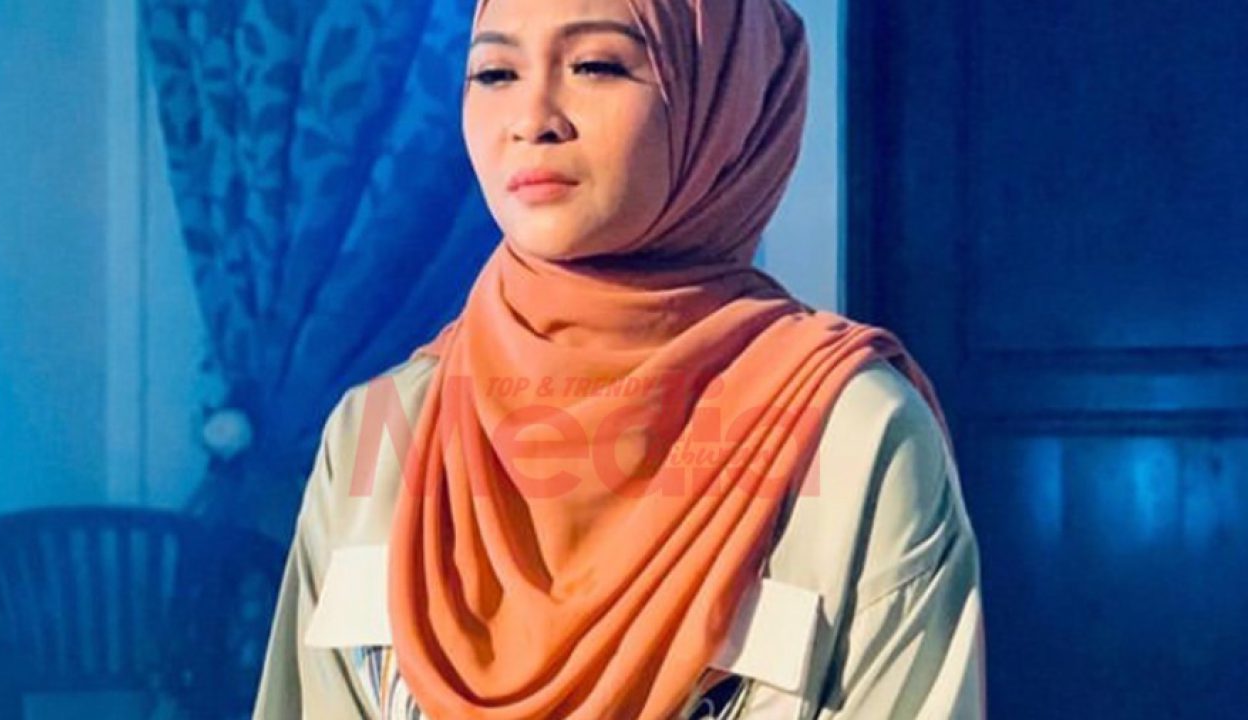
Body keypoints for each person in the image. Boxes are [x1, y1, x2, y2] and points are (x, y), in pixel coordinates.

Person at [253, 0, 987, 717]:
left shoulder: (851, 434)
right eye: (495, 73)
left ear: (723, 100)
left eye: (596, 65)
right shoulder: (382, 427)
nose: (533, 120)